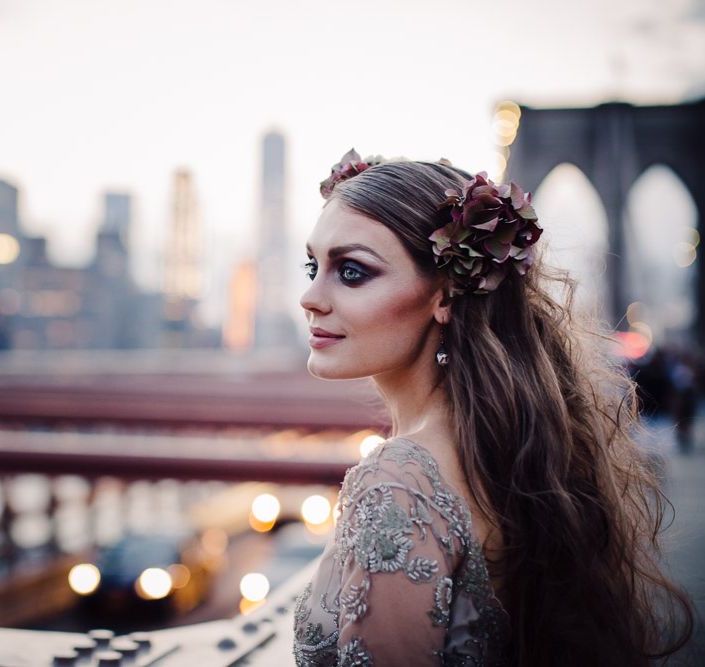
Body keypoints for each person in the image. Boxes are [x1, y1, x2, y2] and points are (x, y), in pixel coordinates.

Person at [293, 150, 693, 666]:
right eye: (313, 265)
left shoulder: (398, 483)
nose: (309, 296)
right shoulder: (500, 446)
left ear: (446, 294)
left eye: (350, 271)